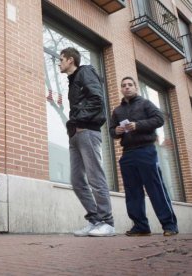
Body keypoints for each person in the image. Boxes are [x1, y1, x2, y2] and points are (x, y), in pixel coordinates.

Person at [109, 77, 178, 237]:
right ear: (121, 89)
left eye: (130, 85)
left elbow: (159, 119)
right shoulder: (117, 111)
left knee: (155, 188)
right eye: (124, 86)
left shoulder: (145, 104)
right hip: (128, 154)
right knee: (132, 191)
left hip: (146, 151)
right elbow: (112, 131)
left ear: (136, 87)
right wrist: (117, 131)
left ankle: (169, 225)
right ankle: (141, 226)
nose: (127, 88)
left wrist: (137, 125)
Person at [58, 47, 115, 237]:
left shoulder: (86, 72)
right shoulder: (73, 80)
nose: (59, 63)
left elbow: (97, 100)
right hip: (76, 135)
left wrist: (78, 120)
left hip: (88, 132)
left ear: (70, 60)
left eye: (61, 59)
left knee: (95, 178)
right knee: (77, 181)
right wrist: (72, 126)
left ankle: (107, 222)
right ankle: (95, 220)